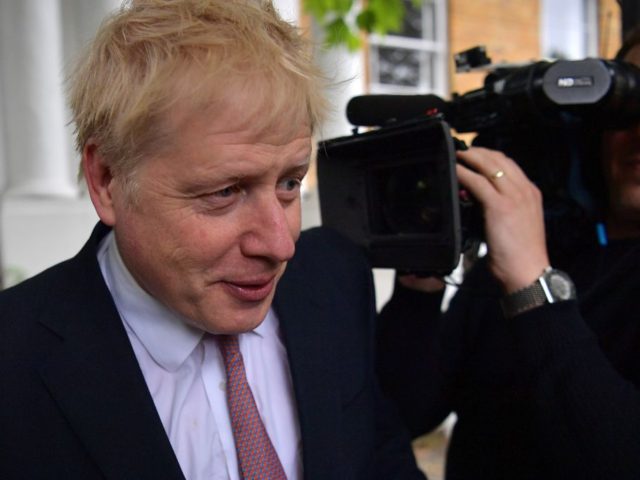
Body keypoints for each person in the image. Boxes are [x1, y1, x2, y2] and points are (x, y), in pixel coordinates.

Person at [0, 1, 426, 479]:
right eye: (225, 191)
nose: (281, 244)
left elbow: (379, 455)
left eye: (289, 182)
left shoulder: (334, 280)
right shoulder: (12, 363)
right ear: (107, 179)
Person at [376, 28, 640, 480]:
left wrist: (533, 289)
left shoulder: (525, 265)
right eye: (628, 109)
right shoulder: (534, 249)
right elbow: (407, 411)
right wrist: (421, 275)